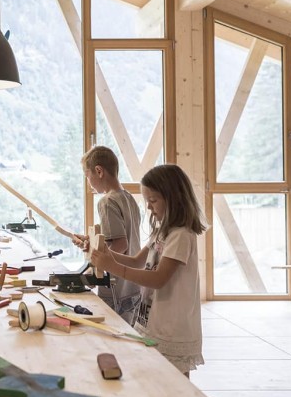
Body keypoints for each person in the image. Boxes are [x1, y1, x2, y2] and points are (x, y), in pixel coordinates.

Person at [90, 163, 207, 376]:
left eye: (153, 201)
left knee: (177, 388)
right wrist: (101, 252)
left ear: (174, 198)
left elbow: (158, 279)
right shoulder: (161, 231)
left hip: (172, 327)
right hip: (152, 319)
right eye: (147, 201)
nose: (149, 207)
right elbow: (135, 261)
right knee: (156, 379)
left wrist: (112, 266)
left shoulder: (181, 235)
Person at [75, 146, 141, 323]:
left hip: (115, 288)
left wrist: (93, 266)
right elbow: (121, 237)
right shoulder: (128, 198)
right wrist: (91, 242)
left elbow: (120, 244)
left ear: (99, 171)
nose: (89, 183)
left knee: (114, 337)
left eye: (88, 177)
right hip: (133, 286)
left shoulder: (107, 201)